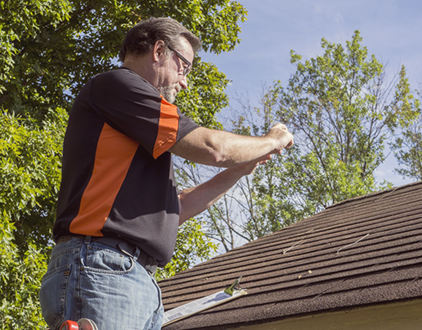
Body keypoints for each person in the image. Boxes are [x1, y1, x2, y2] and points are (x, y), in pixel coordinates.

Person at [39, 17, 293, 330]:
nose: (184, 82)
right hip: (102, 266)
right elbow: (213, 148)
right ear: (159, 50)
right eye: (184, 67)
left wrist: (240, 170)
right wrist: (272, 140)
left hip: (129, 276)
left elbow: (176, 209)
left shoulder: (135, 131)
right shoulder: (117, 86)